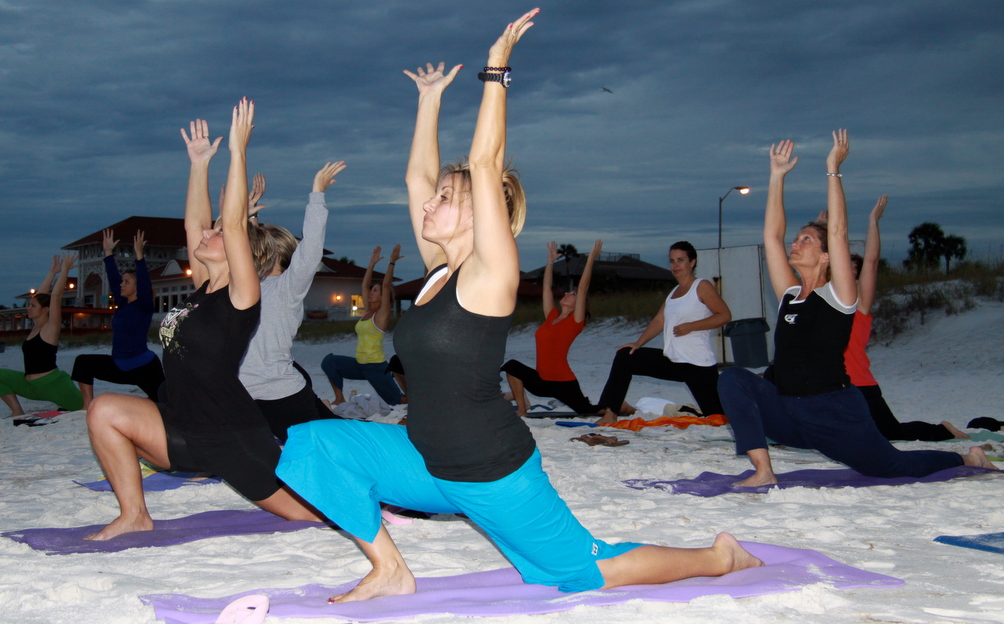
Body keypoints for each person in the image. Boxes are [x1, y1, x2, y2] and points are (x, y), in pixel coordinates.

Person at [277, 10, 762, 604]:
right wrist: (428, 101)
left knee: (584, 571)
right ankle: (390, 569)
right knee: (311, 444)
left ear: (483, 213)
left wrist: (496, 71)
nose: (431, 203)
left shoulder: (491, 275)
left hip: (489, 468)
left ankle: (718, 556)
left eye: (447, 199)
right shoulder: (435, 273)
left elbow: (484, 164)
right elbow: (415, 177)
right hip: (424, 459)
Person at [83, 101, 324, 541]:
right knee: (104, 410)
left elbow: (231, 224)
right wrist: (198, 165)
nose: (208, 234)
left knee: (312, 518)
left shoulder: (241, 295)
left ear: (240, 253)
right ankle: (134, 513)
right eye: (209, 233)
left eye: (218, 234)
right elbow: (196, 223)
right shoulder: (200, 291)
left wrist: (238, 150)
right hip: (180, 424)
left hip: (231, 435)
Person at [717, 131, 994, 488]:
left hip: (833, 415)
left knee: (892, 465)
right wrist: (776, 177)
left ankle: (966, 457)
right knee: (733, 378)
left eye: (806, 240)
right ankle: (763, 470)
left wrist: (833, 170)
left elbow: (839, 231)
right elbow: (771, 235)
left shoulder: (838, 297)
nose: (795, 243)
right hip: (787, 410)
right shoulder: (789, 294)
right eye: (797, 237)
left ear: (827, 256)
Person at [839, 196, 968, 442]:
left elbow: (872, 261)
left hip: (859, 383)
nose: (849, 277)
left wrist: (872, 222)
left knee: (891, 433)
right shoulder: (825, 303)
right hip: (831, 384)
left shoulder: (860, 306)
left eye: (855, 273)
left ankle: (943, 430)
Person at [234, 164, 345, 442]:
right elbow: (243, 250)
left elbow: (310, 250)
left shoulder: (286, 288)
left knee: (334, 438)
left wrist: (317, 194)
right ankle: (327, 411)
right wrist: (247, 218)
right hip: (247, 394)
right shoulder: (245, 285)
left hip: (279, 393)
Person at [595, 241, 731, 425]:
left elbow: (724, 315)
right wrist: (638, 343)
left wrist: (692, 326)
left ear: (692, 262)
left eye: (680, 260)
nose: (675, 265)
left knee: (718, 417)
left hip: (697, 365)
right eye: (672, 261)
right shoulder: (674, 292)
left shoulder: (702, 286)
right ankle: (610, 411)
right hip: (673, 360)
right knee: (625, 356)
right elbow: (659, 321)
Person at [501, 240, 601, 416]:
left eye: (572, 295)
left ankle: (619, 406)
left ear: (579, 304)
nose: (566, 294)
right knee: (512, 366)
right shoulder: (552, 316)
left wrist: (591, 257)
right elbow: (546, 287)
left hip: (563, 383)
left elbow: (583, 287)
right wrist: (550, 261)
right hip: (541, 381)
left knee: (590, 411)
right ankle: (522, 409)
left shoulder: (575, 321)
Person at [71, 230, 165, 409]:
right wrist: (108, 253)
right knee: (83, 362)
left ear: (138, 288)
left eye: (127, 282)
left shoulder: (144, 305)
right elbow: (114, 279)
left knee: (166, 402)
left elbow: (144, 283)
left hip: (143, 366)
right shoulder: (123, 304)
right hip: (119, 365)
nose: (122, 284)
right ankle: (86, 406)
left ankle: (150, 403)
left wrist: (139, 256)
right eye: (123, 282)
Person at [0, 255, 84, 416]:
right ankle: (17, 411)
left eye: (33, 306)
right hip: (30, 386)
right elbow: (41, 296)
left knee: (87, 409)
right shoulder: (35, 327)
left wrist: (65, 271)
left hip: (52, 385)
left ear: (45, 310)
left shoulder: (51, 327)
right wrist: (52, 272)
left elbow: (55, 296)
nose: (29, 308)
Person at [321, 245, 405, 406]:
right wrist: (371, 264)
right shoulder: (368, 311)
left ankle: (420, 399)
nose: (371, 293)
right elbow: (363, 287)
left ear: (383, 297)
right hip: (360, 365)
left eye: (375, 291)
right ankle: (339, 398)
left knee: (397, 400)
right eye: (372, 290)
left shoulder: (382, 314)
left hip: (376, 367)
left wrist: (392, 263)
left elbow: (386, 286)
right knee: (330, 362)